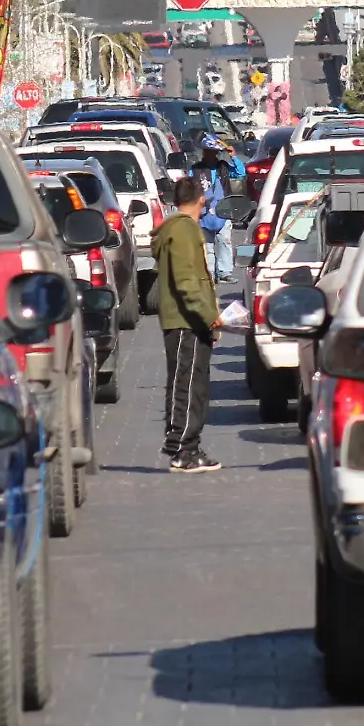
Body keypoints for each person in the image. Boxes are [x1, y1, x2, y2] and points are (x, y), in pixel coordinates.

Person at [154, 176, 222, 473]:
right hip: (186, 321)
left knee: (195, 386)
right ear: (201, 200)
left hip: (192, 320)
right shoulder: (182, 229)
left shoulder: (182, 228)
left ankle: (190, 446)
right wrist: (208, 316)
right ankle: (181, 448)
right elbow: (186, 282)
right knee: (187, 384)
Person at [196, 134, 237, 283]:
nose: (211, 155)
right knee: (207, 245)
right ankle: (209, 274)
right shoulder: (196, 169)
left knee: (224, 242)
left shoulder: (223, 167)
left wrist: (233, 157)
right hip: (204, 212)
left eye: (214, 152)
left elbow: (240, 172)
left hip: (223, 210)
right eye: (208, 152)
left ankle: (225, 272)